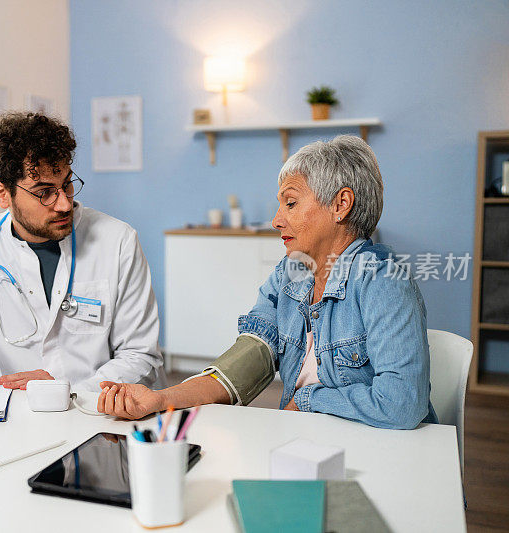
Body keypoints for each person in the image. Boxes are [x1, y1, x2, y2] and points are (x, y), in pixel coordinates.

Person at [97, 135, 438, 430]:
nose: (277, 220)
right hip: (307, 447)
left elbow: (401, 404)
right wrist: (158, 399)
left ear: (341, 205)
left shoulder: (382, 280)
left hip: (379, 458)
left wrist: (308, 399)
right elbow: (243, 366)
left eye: (291, 203)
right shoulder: (290, 275)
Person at [0, 113, 165, 392]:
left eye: (66, 184)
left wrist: (70, 389)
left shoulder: (118, 241)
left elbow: (141, 357)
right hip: (19, 415)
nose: (64, 204)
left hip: (99, 414)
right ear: (2, 194)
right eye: (44, 192)